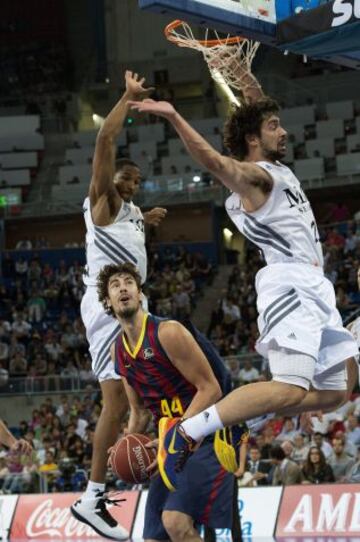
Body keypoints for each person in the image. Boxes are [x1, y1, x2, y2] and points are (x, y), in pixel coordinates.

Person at [127, 76, 359, 489]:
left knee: (335, 393)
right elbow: (215, 162)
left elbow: (256, 110)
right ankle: (188, 431)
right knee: (289, 388)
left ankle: (242, 418)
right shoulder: (257, 180)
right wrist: (175, 116)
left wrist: (248, 81)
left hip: (312, 284)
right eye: (273, 126)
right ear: (254, 139)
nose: (283, 130)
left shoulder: (272, 169)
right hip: (291, 284)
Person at [70, 71, 167, 541]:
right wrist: (127, 100)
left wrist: (145, 217)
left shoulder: (129, 212)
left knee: (138, 400)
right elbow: (105, 141)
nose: (132, 185)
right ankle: (91, 495)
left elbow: (130, 221)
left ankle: (138, 437)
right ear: (114, 180)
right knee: (113, 402)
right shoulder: (103, 202)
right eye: (127, 178)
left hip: (129, 302)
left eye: (137, 181)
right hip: (108, 306)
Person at [98, 262, 235, 542]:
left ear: (139, 294)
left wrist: (177, 435)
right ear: (107, 302)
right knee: (154, 538)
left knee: (175, 523)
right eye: (115, 285)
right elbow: (139, 412)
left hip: (208, 436)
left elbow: (210, 389)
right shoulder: (119, 352)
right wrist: (126, 445)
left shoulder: (167, 332)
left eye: (128, 282)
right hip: (171, 444)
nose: (123, 287)